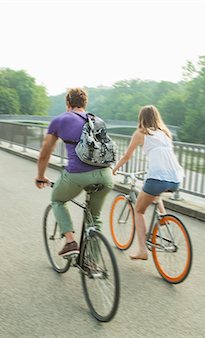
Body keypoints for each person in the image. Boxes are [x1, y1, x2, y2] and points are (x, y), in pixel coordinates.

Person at [35, 88, 114, 257]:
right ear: (85, 104)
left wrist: (40, 176)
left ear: (68, 104)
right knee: (95, 217)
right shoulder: (97, 120)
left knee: (57, 199)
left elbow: (44, 154)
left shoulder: (60, 120)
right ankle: (93, 264)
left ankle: (70, 242)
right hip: (106, 175)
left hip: (77, 175)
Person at [112, 105, 184, 260]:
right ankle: (163, 218)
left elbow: (127, 156)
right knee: (155, 192)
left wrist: (115, 169)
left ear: (141, 118)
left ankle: (142, 250)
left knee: (139, 210)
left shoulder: (140, 133)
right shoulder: (166, 133)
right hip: (176, 179)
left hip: (157, 178)